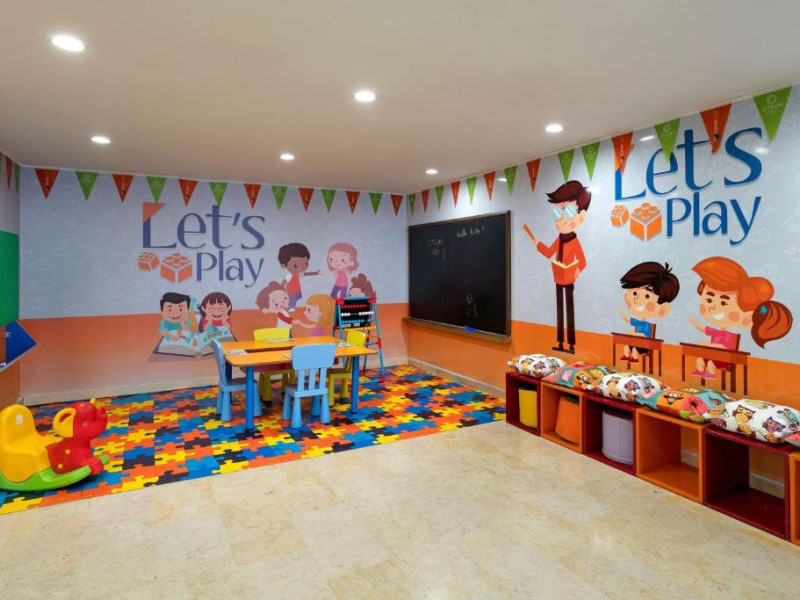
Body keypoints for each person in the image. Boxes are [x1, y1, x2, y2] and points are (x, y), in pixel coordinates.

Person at [690, 256, 793, 379]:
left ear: (747, 318)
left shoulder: (729, 336)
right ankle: (700, 371)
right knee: (700, 360)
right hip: (713, 355)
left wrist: (708, 345)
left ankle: (710, 373)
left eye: (724, 303)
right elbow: (704, 329)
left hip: (724, 360)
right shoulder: (717, 332)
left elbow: (724, 348)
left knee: (711, 363)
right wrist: (693, 322)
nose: (713, 307)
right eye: (709, 299)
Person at [524, 180, 591, 353]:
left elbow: (582, 261)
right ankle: (560, 342)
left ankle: (571, 345)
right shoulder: (559, 239)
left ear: (580, 216)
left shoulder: (574, 241)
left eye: (567, 212)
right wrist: (537, 243)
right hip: (558, 278)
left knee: (569, 311)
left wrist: (577, 270)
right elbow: (549, 253)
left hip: (568, 279)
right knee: (560, 311)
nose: (561, 219)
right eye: (557, 213)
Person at [617, 262, 680, 362]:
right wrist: (621, 314)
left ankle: (634, 359)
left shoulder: (647, 325)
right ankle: (626, 357)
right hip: (635, 343)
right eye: (634, 293)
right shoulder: (639, 322)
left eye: (647, 296)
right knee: (626, 347)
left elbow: (643, 336)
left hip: (644, 346)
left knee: (634, 350)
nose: (637, 298)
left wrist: (632, 334)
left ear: (663, 309)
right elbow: (629, 320)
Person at [278, 242, 320, 309]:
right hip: (291, 290)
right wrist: (280, 289)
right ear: (283, 265)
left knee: (299, 297)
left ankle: (288, 301)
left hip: (297, 289)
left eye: (306, 263)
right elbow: (283, 282)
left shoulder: (298, 274)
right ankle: (291, 307)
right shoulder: (289, 275)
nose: (301, 268)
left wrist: (315, 273)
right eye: (295, 265)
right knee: (293, 301)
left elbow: (306, 274)